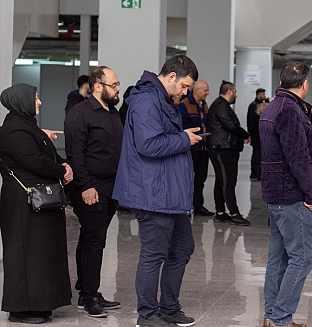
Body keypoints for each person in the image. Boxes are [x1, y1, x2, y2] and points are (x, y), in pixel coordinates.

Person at [113, 55, 202, 327]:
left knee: (183, 247)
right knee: (154, 254)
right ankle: (147, 315)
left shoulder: (163, 100)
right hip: (153, 193)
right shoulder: (146, 100)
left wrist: (181, 138)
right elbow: (149, 145)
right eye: (185, 86)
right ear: (172, 76)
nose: (186, 93)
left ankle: (169, 308)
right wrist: (184, 138)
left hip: (169, 194)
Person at [0, 84, 74, 324]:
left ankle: (40, 304)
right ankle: (21, 309)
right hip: (23, 204)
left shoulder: (27, 126)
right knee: (25, 255)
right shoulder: (14, 130)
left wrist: (63, 164)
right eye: (36, 98)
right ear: (22, 101)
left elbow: (48, 153)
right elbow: (35, 161)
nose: (39, 102)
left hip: (38, 201)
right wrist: (61, 170)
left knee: (41, 254)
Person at [259, 61, 312, 327]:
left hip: (276, 193)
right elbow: (298, 158)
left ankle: (273, 316)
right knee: (303, 257)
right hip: (290, 194)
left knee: (280, 257)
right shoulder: (290, 110)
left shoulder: (273, 105)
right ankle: (281, 316)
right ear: (305, 84)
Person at [64, 66, 123, 318]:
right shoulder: (80, 114)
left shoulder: (113, 113)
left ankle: (86, 291)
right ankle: (90, 297)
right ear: (97, 86)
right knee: (94, 240)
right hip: (90, 186)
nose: (118, 88)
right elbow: (75, 155)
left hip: (112, 186)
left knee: (93, 237)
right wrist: (86, 186)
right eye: (114, 85)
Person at [207, 81, 251, 226]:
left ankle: (220, 213)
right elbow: (231, 126)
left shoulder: (221, 105)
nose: (236, 95)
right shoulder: (221, 105)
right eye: (235, 92)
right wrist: (245, 135)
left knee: (221, 181)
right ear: (230, 92)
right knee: (228, 182)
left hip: (223, 148)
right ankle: (234, 214)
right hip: (222, 149)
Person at [177, 79, 213, 216]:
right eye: (205, 90)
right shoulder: (184, 105)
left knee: (200, 179)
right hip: (191, 148)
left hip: (203, 148)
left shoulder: (204, 105)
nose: (207, 93)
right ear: (197, 90)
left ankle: (198, 205)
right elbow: (183, 126)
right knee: (187, 179)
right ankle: (186, 205)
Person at [247, 88, 266, 181]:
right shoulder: (254, 106)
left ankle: (256, 172)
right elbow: (251, 121)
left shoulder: (259, 105)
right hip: (256, 134)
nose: (264, 96)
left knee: (257, 154)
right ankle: (255, 172)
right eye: (263, 94)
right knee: (257, 154)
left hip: (258, 134)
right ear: (258, 94)